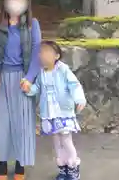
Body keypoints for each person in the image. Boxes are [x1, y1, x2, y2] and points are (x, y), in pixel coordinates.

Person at [0, 0, 42, 180]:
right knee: (2, 123)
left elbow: (36, 55)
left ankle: (19, 164)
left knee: (22, 124)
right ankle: (1, 164)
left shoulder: (32, 25)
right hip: (0, 79)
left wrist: (30, 78)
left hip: (22, 80)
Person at [25, 40, 86, 180]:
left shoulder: (63, 69)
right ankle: (63, 168)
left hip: (63, 111)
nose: (42, 55)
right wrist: (29, 89)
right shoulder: (41, 73)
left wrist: (79, 99)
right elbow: (37, 88)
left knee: (66, 139)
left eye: (46, 52)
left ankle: (73, 167)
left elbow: (74, 85)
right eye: (41, 52)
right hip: (49, 113)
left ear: (56, 56)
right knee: (56, 141)